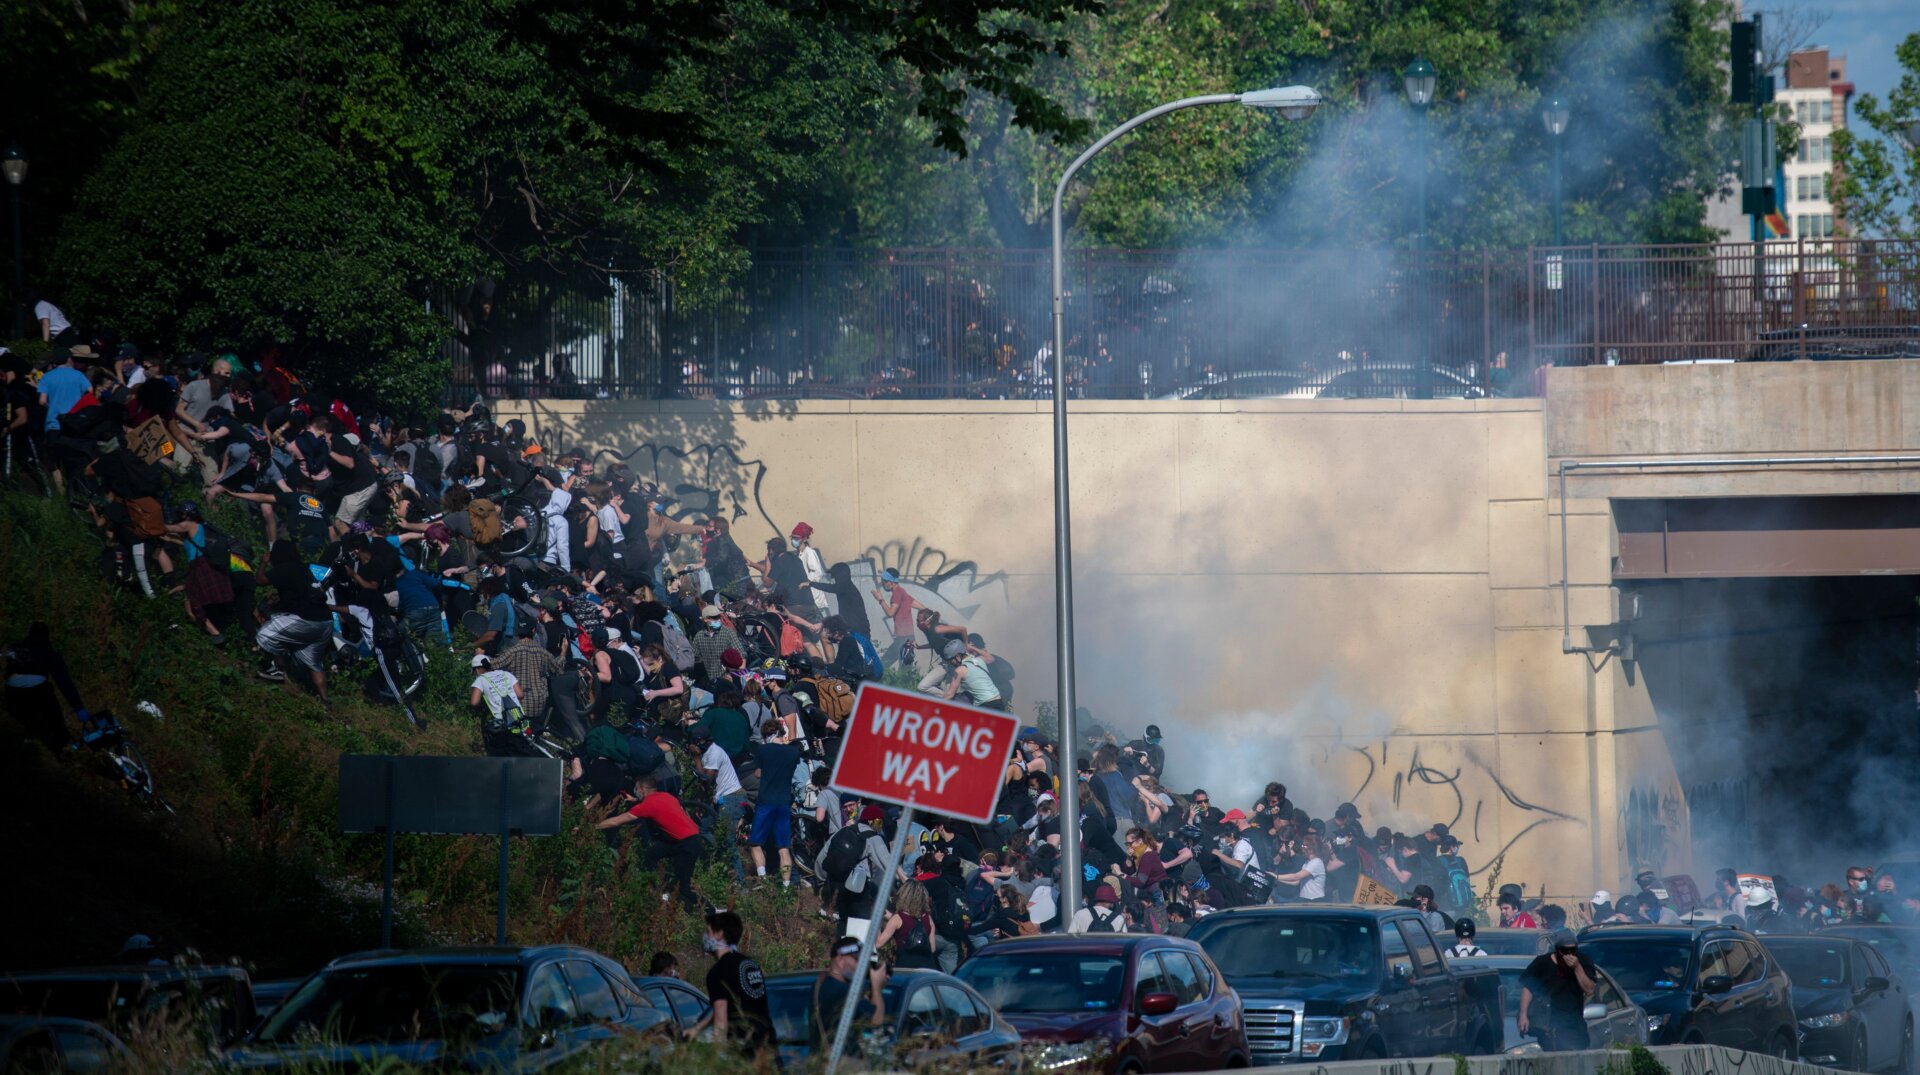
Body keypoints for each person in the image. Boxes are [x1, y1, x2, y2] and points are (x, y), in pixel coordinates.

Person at [596, 774, 706, 910]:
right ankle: (662, 889)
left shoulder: (647, 805)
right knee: (651, 854)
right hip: (688, 837)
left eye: (636, 788)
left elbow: (617, 820)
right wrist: (635, 800)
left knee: (684, 887)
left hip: (687, 844)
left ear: (642, 789)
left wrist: (594, 826)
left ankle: (712, 910)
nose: (635, 790)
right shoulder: (667, 796)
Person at [255, 540, 337, 702]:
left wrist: (263, 563)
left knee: (267, 632)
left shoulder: (285, 568)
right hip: (325, 621)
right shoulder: (304, 568)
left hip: (306, 619)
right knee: (314, 662)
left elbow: (260, 580)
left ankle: (278, 669)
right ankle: (325, 700)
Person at [693, 910, 773, 1052]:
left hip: (742, 1051)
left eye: (708, 932)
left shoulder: (718, 972)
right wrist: (698, 1028)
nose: (705, 936)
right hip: (767, 1047)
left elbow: (721, 1024)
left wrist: (717, 1058)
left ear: (719, 934)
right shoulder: (751, 965)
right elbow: (731, 1007)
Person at [5, 622, 91, 749]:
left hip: (12, 691)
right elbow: (63, 680)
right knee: (56, 724)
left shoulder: (15, 648)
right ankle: (64, 747)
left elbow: (7, 671)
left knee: (24, 725)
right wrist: (78, 706)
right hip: (38, 690)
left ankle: (25, 744)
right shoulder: (49, 651)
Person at [1518, 930, 1597, 1052]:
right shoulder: (1542, 963)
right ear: (1557, 949)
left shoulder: (1583, 961)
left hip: (1573, 1024)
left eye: (1573, 950)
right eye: (1565, 951)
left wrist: (1577, 968)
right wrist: (1523, 1015)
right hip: (1547, 1025)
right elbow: (1528, 988)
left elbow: (1590, 989)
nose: (1569, 954)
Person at [807, 937, 889, 1051]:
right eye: (858, 959)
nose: (862, 966)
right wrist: (876, 987)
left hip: (821, 1059)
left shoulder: (820, 985)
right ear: (840, 961)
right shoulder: (844, 992)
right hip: (843, 1063)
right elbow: (876, 1020)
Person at [749, 719, 803, 888]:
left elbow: (757, 774)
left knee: (755, 843)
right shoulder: (793, 753)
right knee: (783, 847)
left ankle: (763, 879)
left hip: (766, 801)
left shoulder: (763, 750)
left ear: (768, 735)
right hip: (783, 802)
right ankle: (786, 886)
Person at [875, 880, 941, 970]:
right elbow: (932, 948)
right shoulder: (928, 918)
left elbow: (878, 943)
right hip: (927, 967)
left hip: (905, 967)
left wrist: (877, 923)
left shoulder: (897, 918)